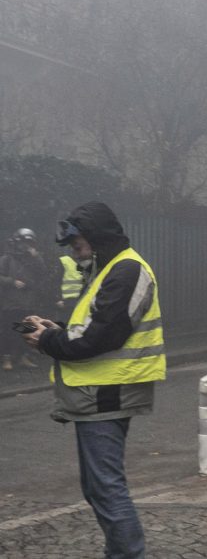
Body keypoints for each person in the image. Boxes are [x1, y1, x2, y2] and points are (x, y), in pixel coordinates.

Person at [20, 202, 166, 559]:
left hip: (108, 393)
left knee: (107, 488)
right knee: (98, 487)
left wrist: (48, 341)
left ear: (98, 238)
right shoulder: (110, 269)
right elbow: (94, 326)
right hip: (100, 392)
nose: (75, 253)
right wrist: (58, 329)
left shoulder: (127, 269)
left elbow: (103, 336)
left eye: (79, 245)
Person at [1, 228, 55, 370]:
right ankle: (7, 359)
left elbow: (42, 274)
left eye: (29, 243)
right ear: (17, 243)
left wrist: (36, 257)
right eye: (24, 243)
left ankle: (23, 357)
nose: (26, 246)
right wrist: (12, 282)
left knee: (25, 331)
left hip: (27, 303)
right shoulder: (7, 258)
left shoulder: (33, 259)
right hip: (11, 304)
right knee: (9, 331)